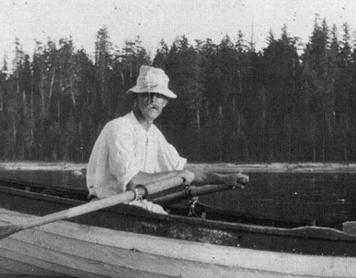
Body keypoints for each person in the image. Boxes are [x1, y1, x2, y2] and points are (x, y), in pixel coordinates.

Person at [85, 66, 249, 213]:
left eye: (159, 96)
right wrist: (178, 174)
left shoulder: (154, 134)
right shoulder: (119, 128)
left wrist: (223, 178)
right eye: (148, 94)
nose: (153, 100)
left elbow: (184, 168)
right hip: (105, 207)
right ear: (136, 97)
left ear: (165, 102)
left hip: (131, 205)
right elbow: (134, 181)